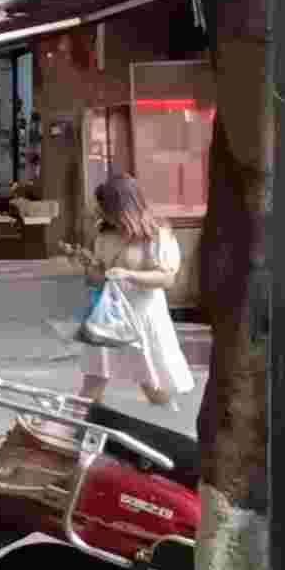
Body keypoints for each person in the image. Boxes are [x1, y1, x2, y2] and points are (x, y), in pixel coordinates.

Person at [77, 168, 194, 409]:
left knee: (153, 384)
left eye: (105, 208)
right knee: (94, 378)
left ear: (123, 207)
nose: (100, 213)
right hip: (108, 316)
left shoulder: (157, 236)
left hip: (143, 317)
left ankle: (167, 424)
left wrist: (129, 275)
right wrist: (91, 269)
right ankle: (77, 423)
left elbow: (166, 279)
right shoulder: (104, 236)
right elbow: (98, 278)